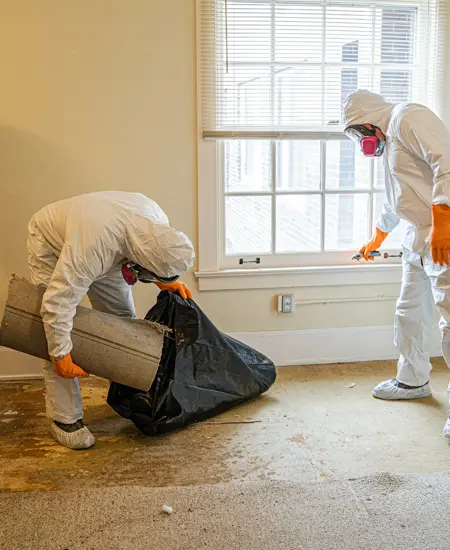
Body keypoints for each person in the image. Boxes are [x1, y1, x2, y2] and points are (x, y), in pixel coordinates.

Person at [27, 191, 195, 449]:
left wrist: (166, 281)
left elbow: (153, 250)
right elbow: (57, 304)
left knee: (123, 323)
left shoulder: (156, 222)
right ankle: (65, 418)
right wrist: (60, 356)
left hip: (112, 245)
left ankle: (127, 396)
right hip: (51, 242)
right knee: (55, 330)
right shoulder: (92, 247)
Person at [343, 90, 450, 437]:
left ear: (371, 118)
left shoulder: (408, 117)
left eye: (360, 131)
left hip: (442, 233)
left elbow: (446, 160)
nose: (362, 140)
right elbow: (397, 198)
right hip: (417, 237)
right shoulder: (390, 143)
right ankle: (412, 380)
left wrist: (444, 221)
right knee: (410, 313)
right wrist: (378, 236)